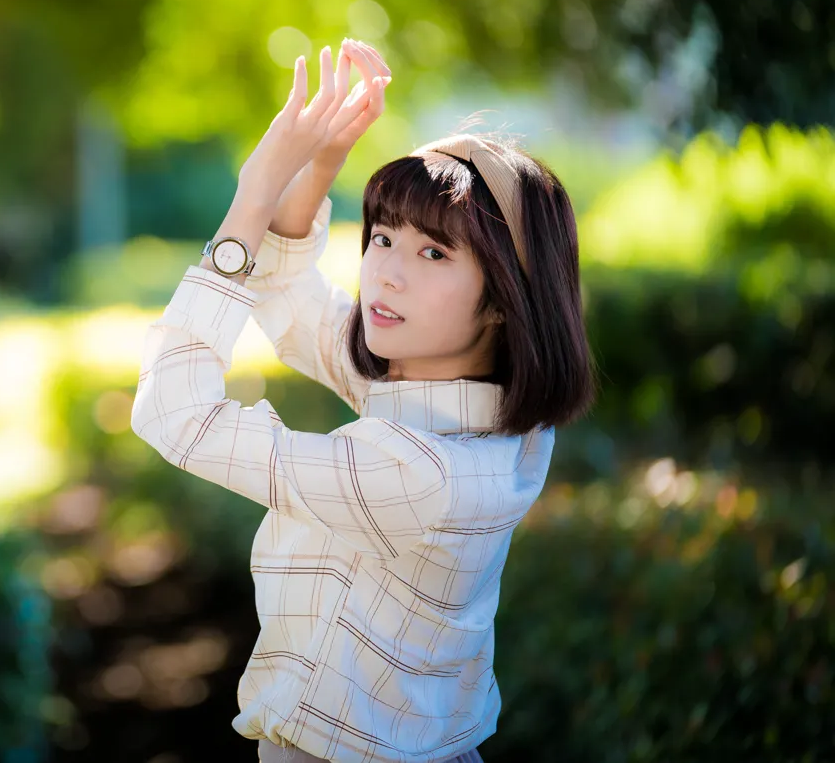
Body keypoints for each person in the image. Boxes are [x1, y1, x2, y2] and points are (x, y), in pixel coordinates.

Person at [130, 38, 596, 763]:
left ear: (505, 300)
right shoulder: (478, 412)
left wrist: (255, 192)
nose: (387, 275)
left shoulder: (417, 472)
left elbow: (174, 416)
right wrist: (322, 165)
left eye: (433, 253)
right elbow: (291, 300)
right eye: (382, 237)